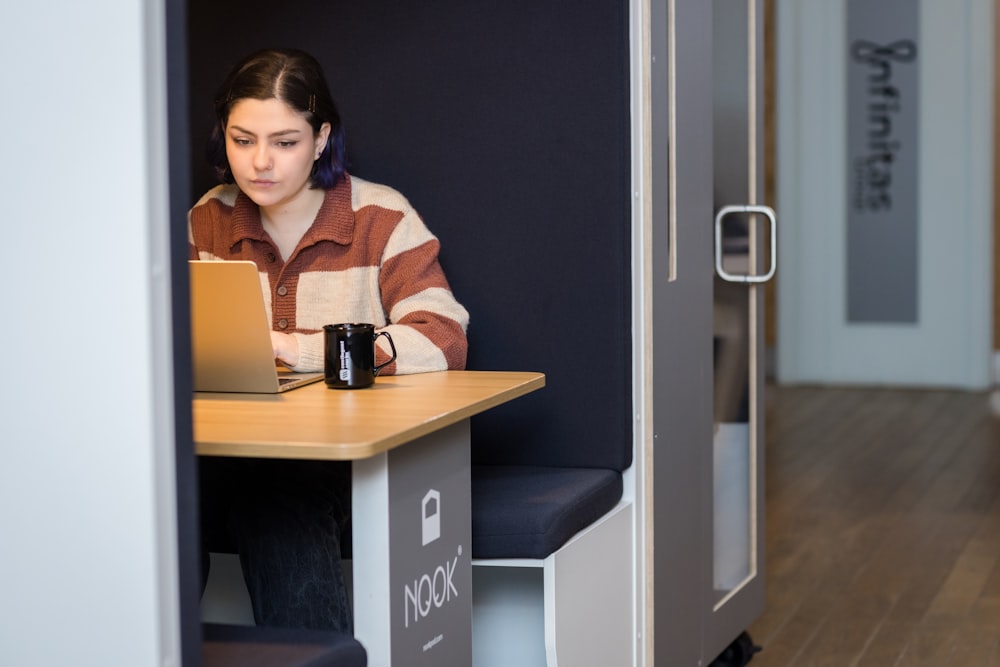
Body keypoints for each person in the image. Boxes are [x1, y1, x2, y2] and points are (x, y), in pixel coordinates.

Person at [190, 48, 469, 633]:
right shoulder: (207, 220)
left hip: (345, 472)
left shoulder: (381, 218)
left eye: (285, 142)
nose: (260, 162)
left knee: (277, 501)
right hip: (223, 457)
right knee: (147, 499)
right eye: (242, 140)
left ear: (322, 138)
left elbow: (442, 337)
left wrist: (300, 349)